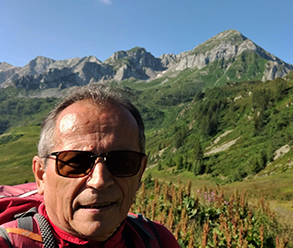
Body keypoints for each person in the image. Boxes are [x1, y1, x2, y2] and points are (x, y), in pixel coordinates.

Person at [0, 84, 180, 247]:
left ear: (140, 172)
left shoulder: (160, 240)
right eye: (76, 162)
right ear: (41, 175)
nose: (99, 180)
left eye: (122, 162)